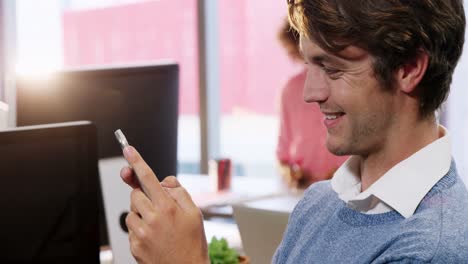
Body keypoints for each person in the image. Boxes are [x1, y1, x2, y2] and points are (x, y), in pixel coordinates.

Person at [120, 0, 468, 262]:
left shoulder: (434, 248)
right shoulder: (318, 204)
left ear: (409, 68)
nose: (310, 94)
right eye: (309, 64)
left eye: (332, 69)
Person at [276, 18, 347, 188]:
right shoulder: (291, 88)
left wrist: (350, 172)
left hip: (348, 189)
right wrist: (290, 173)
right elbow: (283, 153)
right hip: (305, 190)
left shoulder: (345, 84)